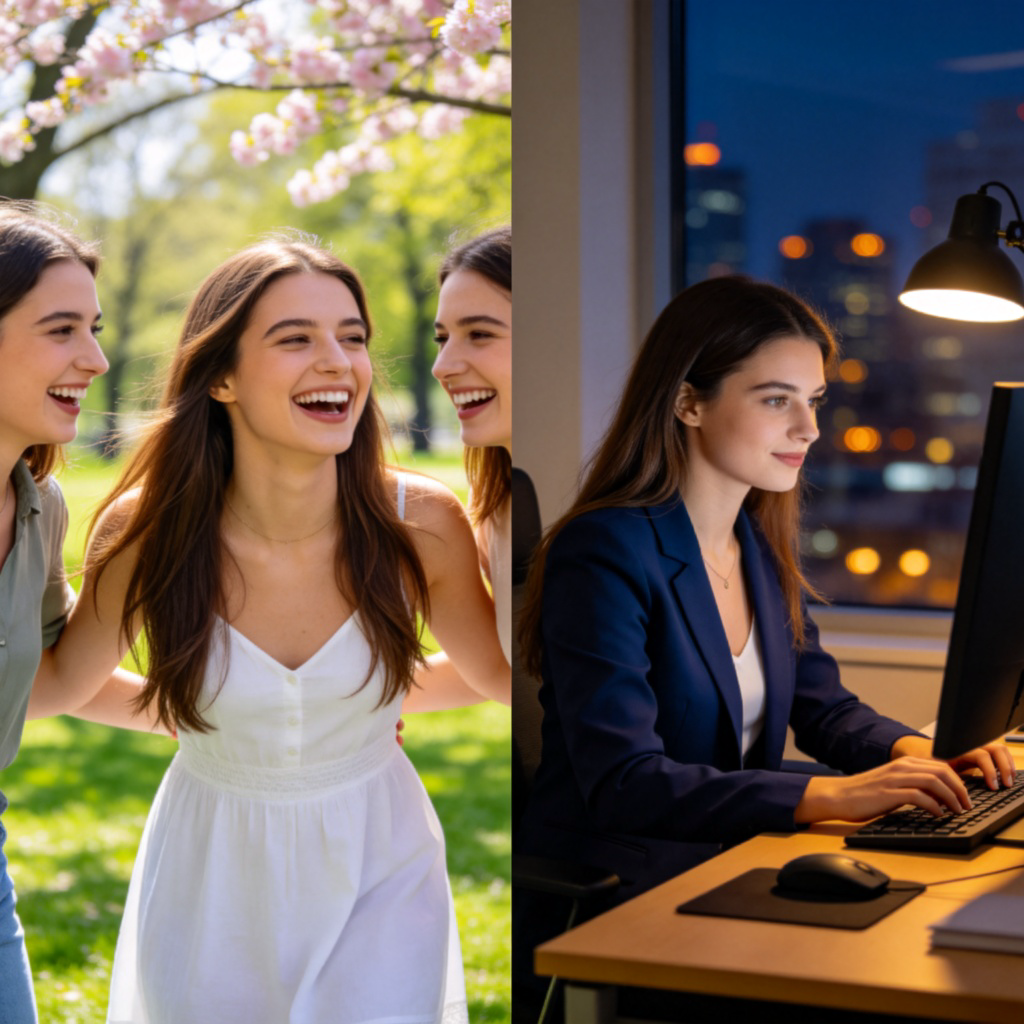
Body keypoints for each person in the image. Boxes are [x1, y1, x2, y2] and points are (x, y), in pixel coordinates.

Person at [513, 275, 1015, 1007]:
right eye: (776, 399)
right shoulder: (606, 551)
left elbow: (826, 710)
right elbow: (627, 780)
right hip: (626, 893)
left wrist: (930, 760)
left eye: (813, 402)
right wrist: (833, 795)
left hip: (731, 866)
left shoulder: (753, 541)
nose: (808, 429)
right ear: (688, 402)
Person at [48, 235, 509, 1023]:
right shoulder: (143, 530)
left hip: (379, 857)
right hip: (211, 867)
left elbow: (505, 676)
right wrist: (217, 715)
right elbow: (60, 684)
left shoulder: (421, 523)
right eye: (296, 339)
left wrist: (344, 711)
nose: (338, 361)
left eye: (353, 338)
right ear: (221, 376)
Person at [0, 203, 162, 1024]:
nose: (95, 359)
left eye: (93, 328)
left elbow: (59, 678)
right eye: (62, 329)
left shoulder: (40, 505)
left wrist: (228, 716)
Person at [430, 225, 512, 661]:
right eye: (442, 339)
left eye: (479, 334)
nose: (442, 366)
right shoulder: (495, 505)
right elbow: (508, 667)